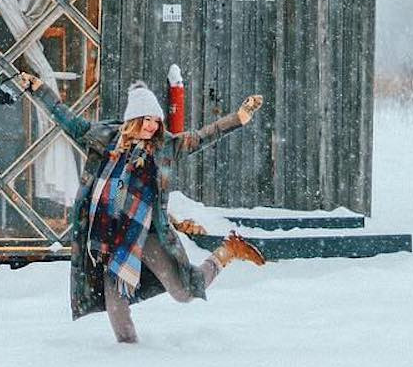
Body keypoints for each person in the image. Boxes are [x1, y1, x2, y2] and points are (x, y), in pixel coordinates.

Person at [16, 72, 267, 344]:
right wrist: (39, 89)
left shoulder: (166, 147)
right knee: (116, 309)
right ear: (133, 119)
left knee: (184, 292)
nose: (152, 126)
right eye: (146, 119)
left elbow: (203, 136)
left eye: (156, 120)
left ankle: (226, 252)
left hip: (148, 236)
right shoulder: (103, 139)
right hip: (112, 240)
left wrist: (238, 118)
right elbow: (67, 120)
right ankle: (129, 363)